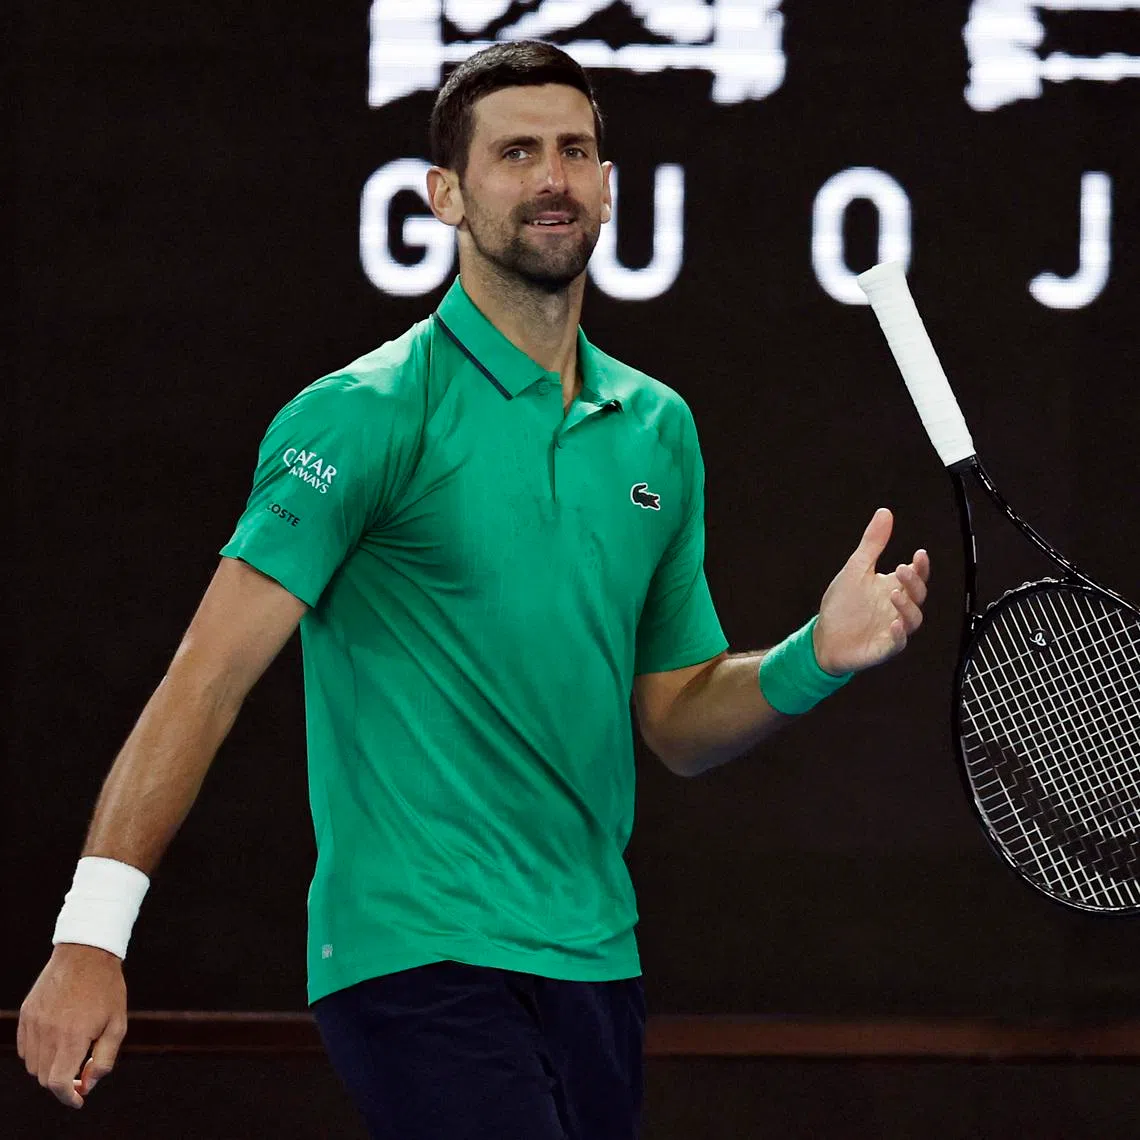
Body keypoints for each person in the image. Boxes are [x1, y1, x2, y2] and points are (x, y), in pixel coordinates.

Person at [17, 40, 930, 1140]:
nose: (551, 177)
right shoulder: (360, 416)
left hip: (596, 961)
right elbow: (203, 684)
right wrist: (89, 937)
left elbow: (679, 721)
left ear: (605, 186)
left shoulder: (658, 428)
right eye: (515, 153)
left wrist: (814, 658)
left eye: (574, 151)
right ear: (447, 193)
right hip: (416, 954)